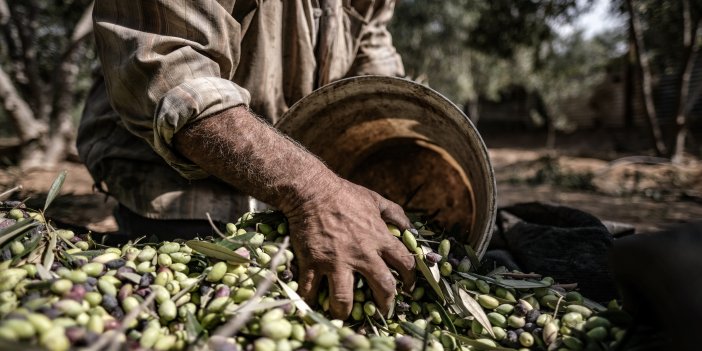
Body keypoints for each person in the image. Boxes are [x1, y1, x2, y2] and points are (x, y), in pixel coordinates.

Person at [77, 0, 415, 320]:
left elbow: (372, 45)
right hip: (176, 185)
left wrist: (398, 137)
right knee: (188, 298)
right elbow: (170, 72)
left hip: (292, 180)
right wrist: (315, 192)